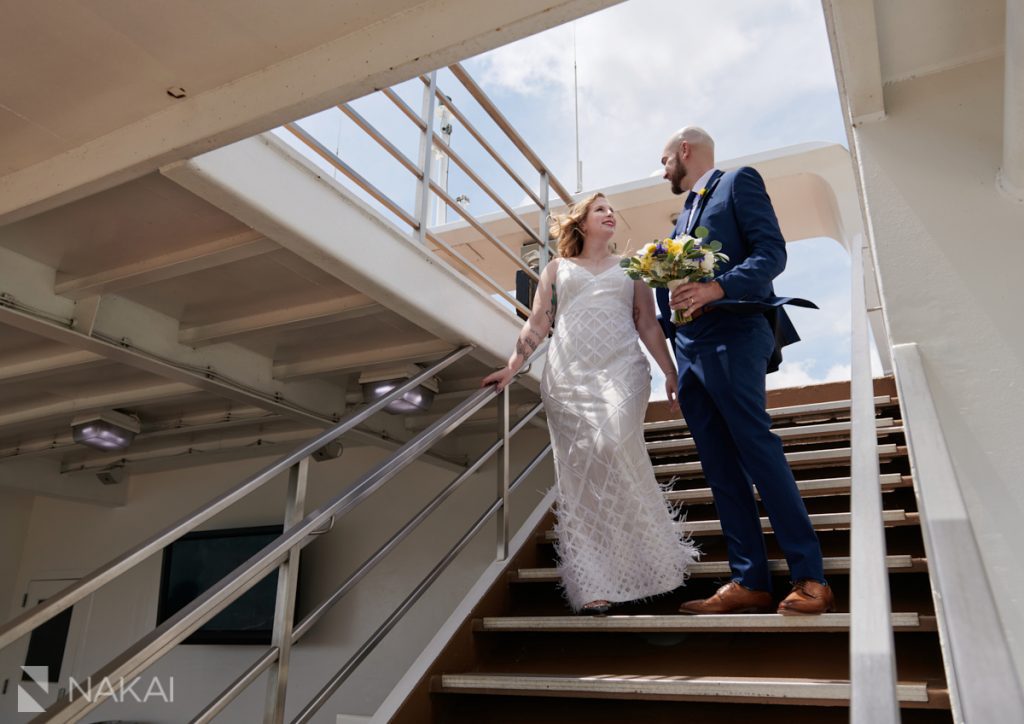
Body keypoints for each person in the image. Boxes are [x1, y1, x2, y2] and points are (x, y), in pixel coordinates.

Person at [483, 192, 699, 614]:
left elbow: (647, 323)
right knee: (581, 471)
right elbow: (539, 321)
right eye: (600, 209)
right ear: (580, 222)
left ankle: (650, 562)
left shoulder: (632, 267)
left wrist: (671, 372)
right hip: (568, 375)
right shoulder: (557, 268)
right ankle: (594, 579)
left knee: (615, 443)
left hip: (622, 367)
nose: (609, 215)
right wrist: (513, 366)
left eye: (612, 210)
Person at [655, 126, 834, 615]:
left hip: (734, 335)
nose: (663, 169)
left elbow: (771, 254)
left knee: (757, 451)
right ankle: (749, 581)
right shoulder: (679, 222)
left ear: (685, 151)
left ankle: (810, 577)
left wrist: (717, 289)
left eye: (665, 159)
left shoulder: (737, 183)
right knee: (718, 466)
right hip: (689, 350)